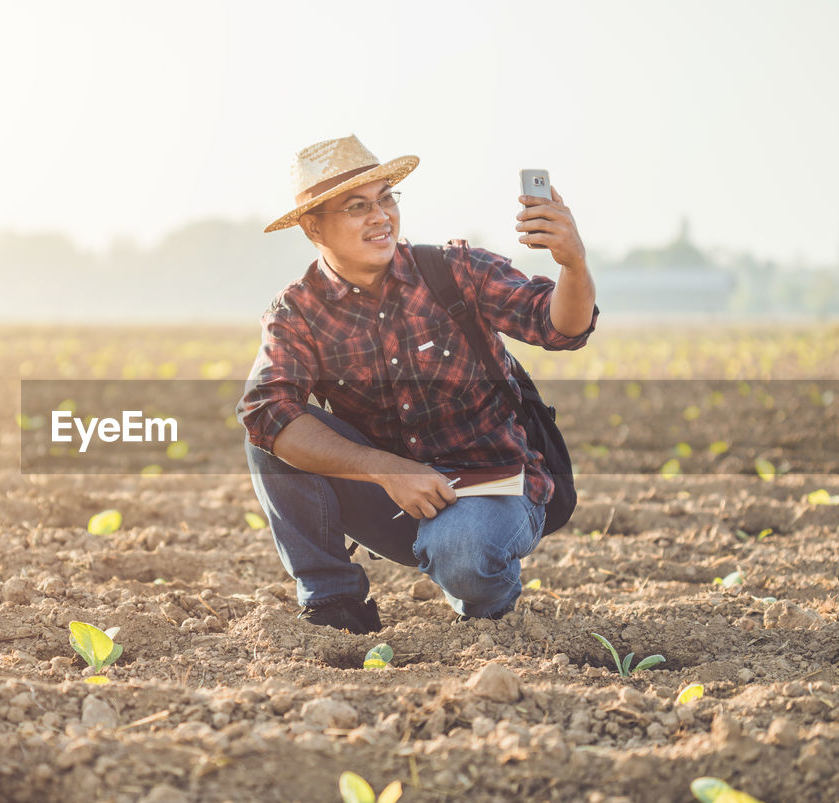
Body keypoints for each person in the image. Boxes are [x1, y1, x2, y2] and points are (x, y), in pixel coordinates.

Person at [237, 135, 598, 632]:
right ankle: (334, 603)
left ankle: (487, 605)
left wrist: (573, 263)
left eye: (386, 199)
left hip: (492, 489)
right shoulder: (298, 311)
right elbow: (267, 412)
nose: (380, 216)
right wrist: (388, 470)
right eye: (357, 207)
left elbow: (559, 327)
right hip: (391, 495)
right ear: (313, 228)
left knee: (463, 553)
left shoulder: (454, 271)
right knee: (270, 433)